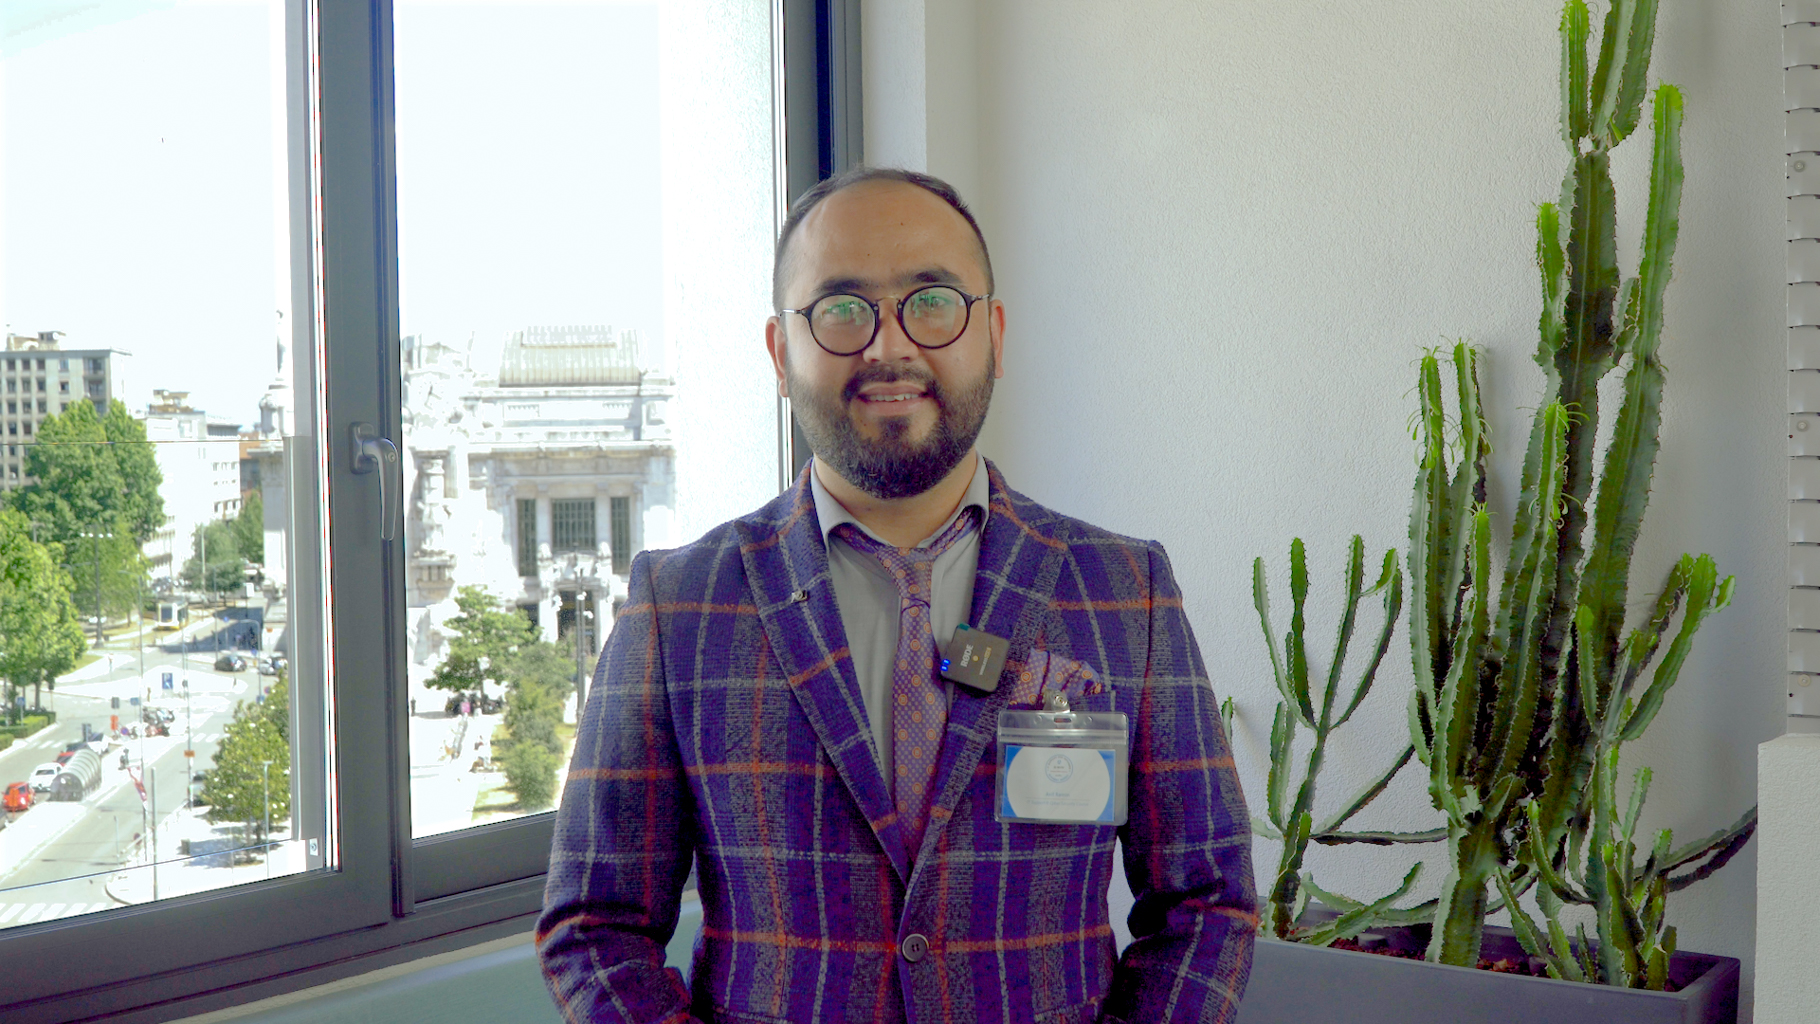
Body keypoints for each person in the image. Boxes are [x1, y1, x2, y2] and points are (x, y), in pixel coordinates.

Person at [538, 168, 1256, 1024]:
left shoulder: (1125, 592)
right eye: (842, 309)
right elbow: (596, 927)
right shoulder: (679, 606)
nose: (888, 347)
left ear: (993, 335)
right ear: (780, 354)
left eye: (933, 302)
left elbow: (1205, 904)